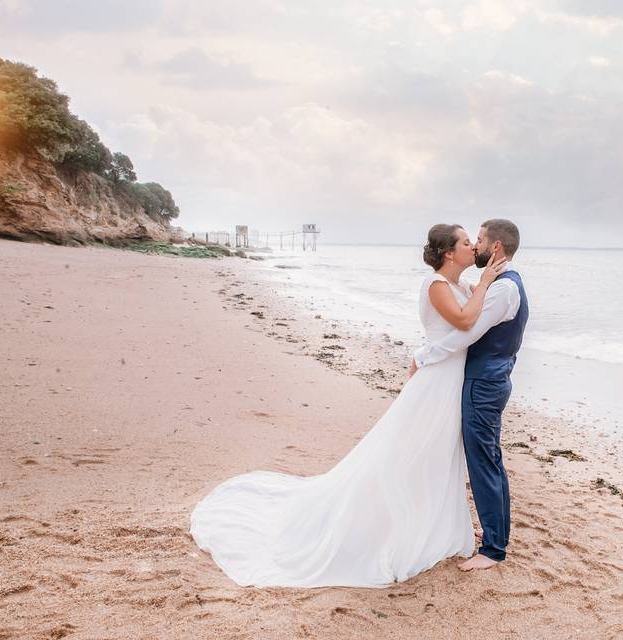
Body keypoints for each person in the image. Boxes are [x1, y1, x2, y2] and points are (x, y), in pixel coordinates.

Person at [189, 223, 506, 587]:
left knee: (437, 455)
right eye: (466, 243)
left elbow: (479, 314)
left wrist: (489, 280)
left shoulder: (460, 285)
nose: (472, 248)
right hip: (435, 382)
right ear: (449, 253)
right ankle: (389, 527)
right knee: (411, 452)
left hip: (450, 379)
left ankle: (431, 524)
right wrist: (483, 285)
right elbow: (465, 321)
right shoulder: (436, 285)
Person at [412, 219, 529, 571]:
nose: (474, 246)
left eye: (477, 240)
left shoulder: (503, 289)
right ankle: (495, 539)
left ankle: (494, 548)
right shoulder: (491, 285)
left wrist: (423, 356)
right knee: (486, 459)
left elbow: (467, 332)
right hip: (480, 379)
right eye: (469, 241)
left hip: (484, 383)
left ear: (495, 247)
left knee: (483, 461)